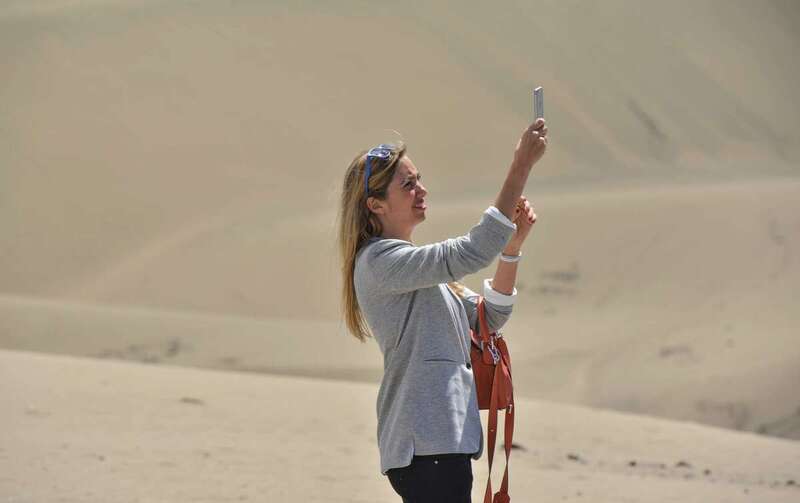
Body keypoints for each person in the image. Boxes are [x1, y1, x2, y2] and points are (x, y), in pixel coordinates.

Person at [336, 118, 548, 502]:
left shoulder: (416, 270)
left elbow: (489, 318)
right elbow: (472, 251)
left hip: (443, 443)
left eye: (418, 179)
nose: (422, 190)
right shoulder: (380, 263)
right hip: (425, 446)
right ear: (375, 205)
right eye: (408, 184)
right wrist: (521, 166)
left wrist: (511, 249)